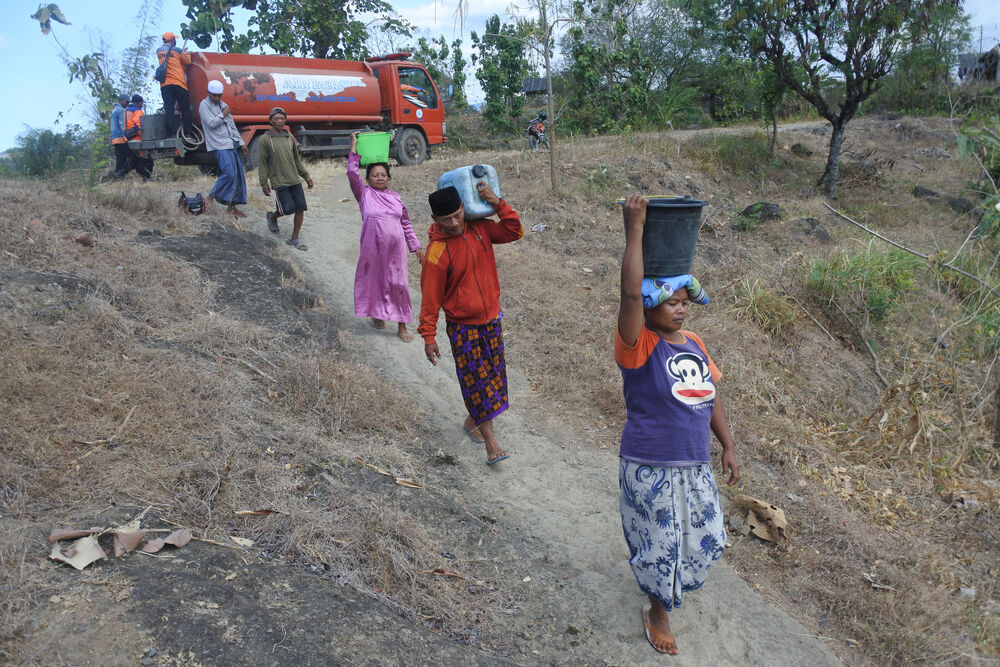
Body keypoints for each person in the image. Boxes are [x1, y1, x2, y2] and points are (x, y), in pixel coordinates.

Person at [615, 194, 740, 656]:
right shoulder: (638, 344)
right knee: (660, 545)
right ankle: (658, 610)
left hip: (694, 464)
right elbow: (629, 293)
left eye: (685, 301)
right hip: (650, 464)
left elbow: (710, 395)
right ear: (648, 307)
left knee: (702, 537)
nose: (681, 308)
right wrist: (636, 229)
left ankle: (666, 589)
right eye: (670, 301)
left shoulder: (693, 342)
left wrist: (727, 446)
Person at [418, 184, 523, 465]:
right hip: (463, 328)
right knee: (476, 383)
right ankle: (491, 443)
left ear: (464, 207)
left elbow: (515, 231)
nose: (453, 223)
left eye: (457, 215)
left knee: (495, 379)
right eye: (445, 220)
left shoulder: (482, 229)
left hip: (491, 319)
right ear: (434, 220)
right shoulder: (436, 253)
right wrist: (428, 336)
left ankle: (471, 422)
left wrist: (498, 202)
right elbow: (430, 300)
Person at [347, 132, 424, 342]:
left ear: (389, 177)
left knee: (399, 284)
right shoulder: (364, 195)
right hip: (372, 247)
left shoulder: (396, 198)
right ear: (368, 179)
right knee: (375, 281)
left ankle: (401, 327)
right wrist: (354, 146)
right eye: (375, 175)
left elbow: (405, 223)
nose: (379, 177)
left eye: (383, 174)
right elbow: (352, 173)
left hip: (396, 250)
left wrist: (415, 245)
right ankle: (378, 314)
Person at [258, 107, 314, 250]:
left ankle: (294, 239)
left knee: (300, 208)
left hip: (294, 178)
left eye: (282, 118)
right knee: (287, 209)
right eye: (276, 118)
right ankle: (272, 217)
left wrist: (306, 176)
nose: (279, 121)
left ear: (285, 120)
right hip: (279, 180)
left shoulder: (289, 137)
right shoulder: (265, 139)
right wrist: (263, 182)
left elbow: (297, 159)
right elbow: (263, 163)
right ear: (270, 120)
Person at [199, 80, 247, 218]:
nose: (217, 98)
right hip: (219, 144)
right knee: (229, 173)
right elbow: (211, 123)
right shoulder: (204, 105)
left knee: (238, 176)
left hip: (231, 143)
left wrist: (241, 142)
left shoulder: (223, 105)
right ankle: (210, 197)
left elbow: (232, 126)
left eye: (219, 95)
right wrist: (223, 114)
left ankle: (232, 207)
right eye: (214, 95)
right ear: (208, 93)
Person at [156, 32, 193, 136]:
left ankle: (171, 133)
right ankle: (188, 133)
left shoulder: (158, 51)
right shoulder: (177, 50)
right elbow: (187, 61)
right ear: (172, 40)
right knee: (185, 108)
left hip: (165, 85)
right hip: (178, 83)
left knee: (169, 109)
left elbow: (169, 58)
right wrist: (187, 54)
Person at [123, 95, 153, 181]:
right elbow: (139, 125)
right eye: (141, 103)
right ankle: (146, 177)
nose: (142, 105)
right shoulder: (137, 111)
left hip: (128, 139)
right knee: (147, 160)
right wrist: (145, 135)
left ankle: (120, 174)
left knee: (134, 161)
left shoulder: (127, 111)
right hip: (137, 139)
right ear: (139, 102)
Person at [109, 94, 131, 179]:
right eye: (127, 101)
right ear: (122, 101)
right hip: (121, 139)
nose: (128, 104)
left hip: (115, 139)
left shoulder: (114, 111)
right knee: (129, 158)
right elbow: (123, 126)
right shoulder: (121, 111)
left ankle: (118, 177)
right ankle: (120, 175)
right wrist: (127, 139)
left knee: (119, 159)